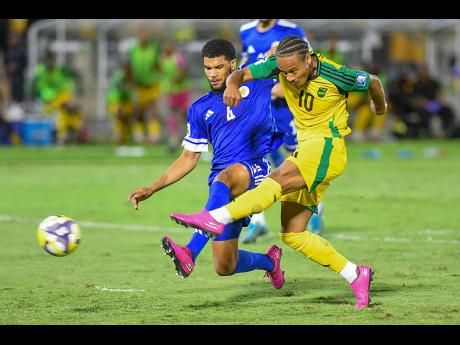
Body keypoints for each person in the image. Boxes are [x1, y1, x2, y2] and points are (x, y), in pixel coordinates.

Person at [170, 35, 388, 309]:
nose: (289, 78)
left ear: (308, 59)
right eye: (284, 72)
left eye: (294, 71)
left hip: (327, 147)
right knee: (293, 234)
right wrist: (234, 84)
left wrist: (380, 107)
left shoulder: (334, 73)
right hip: (305, 151)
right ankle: (355, 273)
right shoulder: (278, 65)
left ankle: (213, 217)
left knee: (277, 180)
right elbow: (240, 73)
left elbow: (374, 81)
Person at [127, 39, 285, 288]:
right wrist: (152, 188)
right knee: (225, 265)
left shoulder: (255, 78)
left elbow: (279, 50)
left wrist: (277, 47)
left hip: (255, 170)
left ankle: (189, 251)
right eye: (207, 68)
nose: (212, 74)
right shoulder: (200, 108)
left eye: (219, 67)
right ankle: (270, 263)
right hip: (221, 189)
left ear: (233, 64)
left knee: (225, 177)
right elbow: (188, 158)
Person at [239, 19, 324, 242]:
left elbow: (311, 64)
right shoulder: (245, 31)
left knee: (297, 161)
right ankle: (257, 222)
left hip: (287, 107)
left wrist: (281, 87)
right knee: (254, 158)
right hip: (258, 108)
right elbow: (247, 64)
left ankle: (314, 210)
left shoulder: (291, 30)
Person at [30, 52, 84, 145]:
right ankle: (66, 134)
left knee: (62, 112)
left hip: (62, 96)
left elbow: (76, 74)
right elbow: (31, 84)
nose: (49, 63)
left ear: (54, 61)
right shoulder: (39, 70)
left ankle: (64, 135)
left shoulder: (61, 69)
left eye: (50, 60)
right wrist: (32, 96)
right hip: (47, 100)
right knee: (59, 114)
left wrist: (80, 89)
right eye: (46, 61)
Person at [128, 29, 162, 144]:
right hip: (139, 85)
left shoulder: (153, 49)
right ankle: (139, 134)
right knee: (138, 111)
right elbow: (130, 67)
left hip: (152, 84)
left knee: (152, 110)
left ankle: (154, 135)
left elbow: (158, 65)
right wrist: (131, 83)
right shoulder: (134, 50)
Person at [159, 39, 192, 152]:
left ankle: (190, 137)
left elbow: (184, 71)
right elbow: (162, 73)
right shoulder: (162, 58)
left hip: (181, 90)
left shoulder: (177, 57)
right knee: (172, 116)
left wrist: (177, 79)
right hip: (170, 92)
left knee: (185, 114)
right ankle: (173, 139)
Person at [107, 61, 135, 143]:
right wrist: (119, 107)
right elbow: (118, 92)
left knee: (127, 119)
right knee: (118, 119)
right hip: (115, 101)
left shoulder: (129, 77)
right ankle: (117, 136)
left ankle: (125, 137)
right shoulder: (119, 77)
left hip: (125, 102)